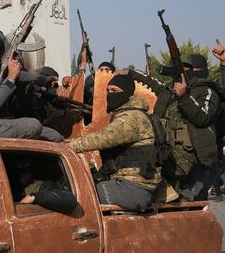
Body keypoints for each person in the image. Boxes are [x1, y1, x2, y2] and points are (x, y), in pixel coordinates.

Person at [130, 41, 225, 201]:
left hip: (197, 166)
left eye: (185, 69)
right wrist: (128, 73)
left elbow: (204, 115)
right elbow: (152, 82)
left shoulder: (208, 91)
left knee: (189, 207)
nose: (180, 73)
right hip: (170, 162)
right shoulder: (169, 91)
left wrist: (224, 63)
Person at [68, 73, 160, 210]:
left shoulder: (132, 118)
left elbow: (101, 139)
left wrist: (66, 146)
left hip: (135, 188)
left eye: (114, 91)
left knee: (87, 195)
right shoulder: (126, 115)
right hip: (127, 184)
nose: (110, 94)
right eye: (108, 90)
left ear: (127, 94)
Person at [0, 21, 62, 141]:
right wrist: (11, 78)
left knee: (56, 137)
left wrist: (43, 79)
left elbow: (20, 75)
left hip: (5, 122)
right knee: (33, 125)